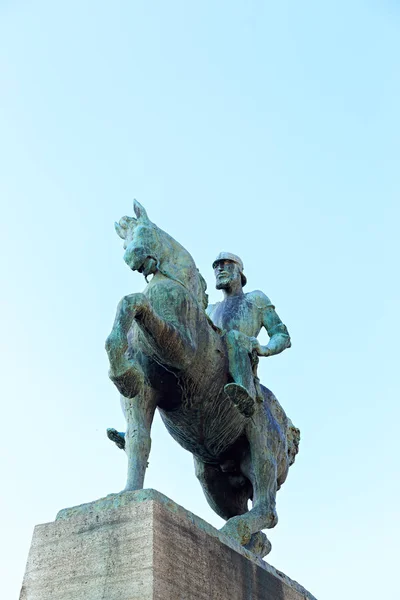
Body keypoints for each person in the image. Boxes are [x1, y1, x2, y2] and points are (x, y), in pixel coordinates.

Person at [207, 252, 291, 416]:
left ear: (239, 271)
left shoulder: (256, 299)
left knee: (233, 336)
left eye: (226, 263)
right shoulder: (210, 310)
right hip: (213, 362)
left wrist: (264, 348)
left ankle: (243, 393)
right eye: (216, 266)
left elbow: (281, 335)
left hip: (242, 359)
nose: (220, 268)